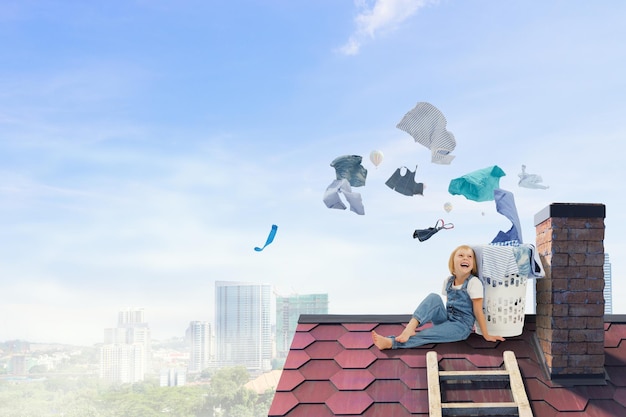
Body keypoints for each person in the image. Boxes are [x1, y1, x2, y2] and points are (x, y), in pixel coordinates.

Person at [372, 244, 505, 350]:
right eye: (461, 255)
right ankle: (410, 328)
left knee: (428, 335)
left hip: (460, 327)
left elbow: (477, 310)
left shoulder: (473, 283)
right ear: (453, 262)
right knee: (434, 297)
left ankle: (391, 343)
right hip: (447, 319)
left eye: (470, 257)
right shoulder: (448, 281)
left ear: (473, 264)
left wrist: (486, 334)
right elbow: (448, 304)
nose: (466, 258)